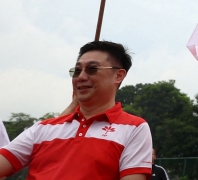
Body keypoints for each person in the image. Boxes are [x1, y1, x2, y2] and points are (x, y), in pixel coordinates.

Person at [0, 40, 153, 179]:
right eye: (77, 71)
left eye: (92, 69)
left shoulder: (134, 128)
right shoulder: (43, 129)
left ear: (118, 75)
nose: (81, 77)